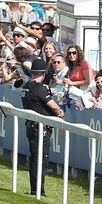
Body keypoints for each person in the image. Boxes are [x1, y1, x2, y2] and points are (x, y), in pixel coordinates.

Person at [21, 58, 64, 196]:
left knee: (35, 158)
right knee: (41, 159)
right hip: (41, 129)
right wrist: (60, 112)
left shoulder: (27, 85)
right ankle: (39, 190)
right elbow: (54, 106)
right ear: (43, 74)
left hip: (31, 126)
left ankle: (35, 188)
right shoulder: (39, 88)